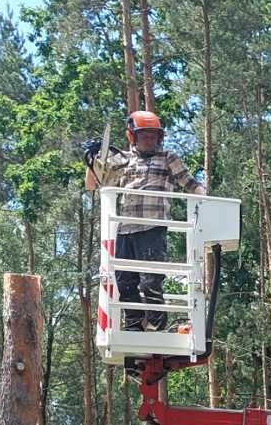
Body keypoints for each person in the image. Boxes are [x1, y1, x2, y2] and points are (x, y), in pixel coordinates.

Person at [84, 109, 204, 332]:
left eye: (153, 136)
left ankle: (156, 323)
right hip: (125, 228)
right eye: (144, 135)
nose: (149, 140)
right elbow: (94, 183)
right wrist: (92, 160)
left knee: (151, 280)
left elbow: (190, 184)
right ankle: (134, 324)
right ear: (132, 137)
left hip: (152, 226)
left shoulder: (168, 158)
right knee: (124, 280)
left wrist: (205, 200)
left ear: (159, 138)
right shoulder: (122, 160)